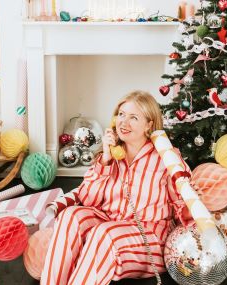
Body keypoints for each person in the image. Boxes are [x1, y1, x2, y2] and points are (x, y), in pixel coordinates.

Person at [41, 91, 192, 285]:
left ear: (149, 125)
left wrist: (190, 191)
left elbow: (183, 206)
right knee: (70, 216)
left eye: (133, 117)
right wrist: (105, 159)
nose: (123, 122)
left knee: (105, 234)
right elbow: (88, 200)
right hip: (109, 222)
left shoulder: (166, 157)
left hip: (148, 236)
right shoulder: (111, 155)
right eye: (121, 114)